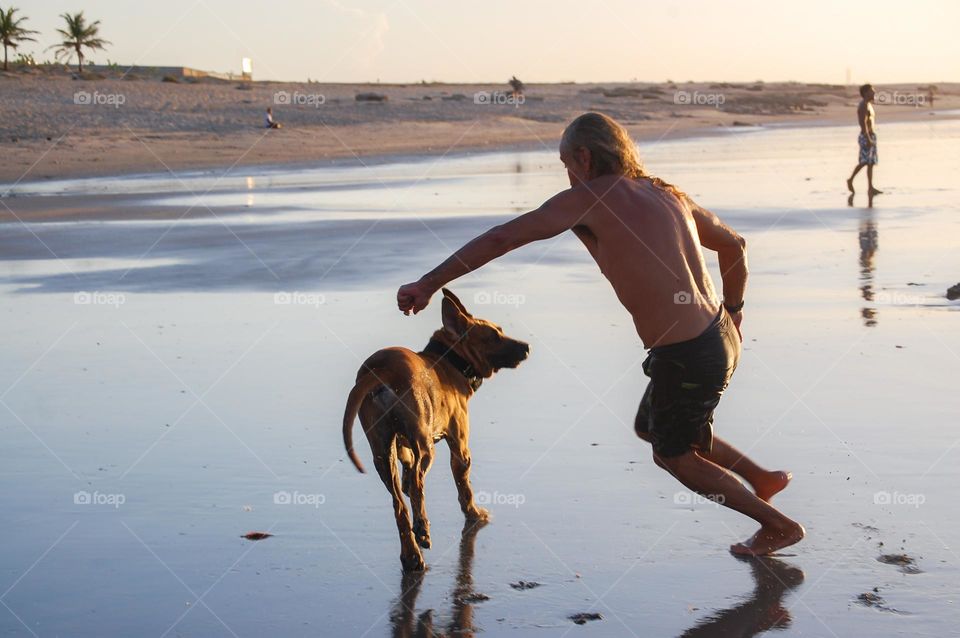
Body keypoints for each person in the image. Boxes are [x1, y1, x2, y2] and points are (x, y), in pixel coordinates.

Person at [397, 112, 805, 556]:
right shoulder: (666, 194)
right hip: (716, 334)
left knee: (672, 454)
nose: (567, 175)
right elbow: (734, 246)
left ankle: (778, 526)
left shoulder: (589, 199)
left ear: (585, 158)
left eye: (566, 164)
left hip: (688, 351)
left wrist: (428, 284)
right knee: (652, 426)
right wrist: (735, 310)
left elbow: (501, 239)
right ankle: (762, 479)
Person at [847, 84, 881, 196]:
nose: (874, 93)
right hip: (866, 136)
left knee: (870, 163)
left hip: (871, 135)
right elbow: (863, 124)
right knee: (864, 162)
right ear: (866, 93)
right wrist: (868, 138)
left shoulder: (868, 104)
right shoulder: (863, 106)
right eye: (872, 91)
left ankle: (870, 188)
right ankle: (850, 180)